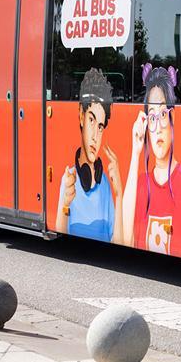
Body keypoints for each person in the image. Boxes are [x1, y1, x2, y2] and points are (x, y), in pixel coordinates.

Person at [121, 64, 181, 260]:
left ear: (172, 116)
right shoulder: (141, 185)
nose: (157, 127)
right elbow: (125, 238)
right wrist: (135, 153)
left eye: (162, 115)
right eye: (151, 117)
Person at [55, 69, 123, 243]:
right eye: (91, 120)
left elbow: (118, 242)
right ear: (81, 116)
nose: (95, 136)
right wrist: (65, 205)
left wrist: (120, 195)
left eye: (100, 126)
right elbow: (58, 231)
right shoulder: (69, 181)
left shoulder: (106, 185)